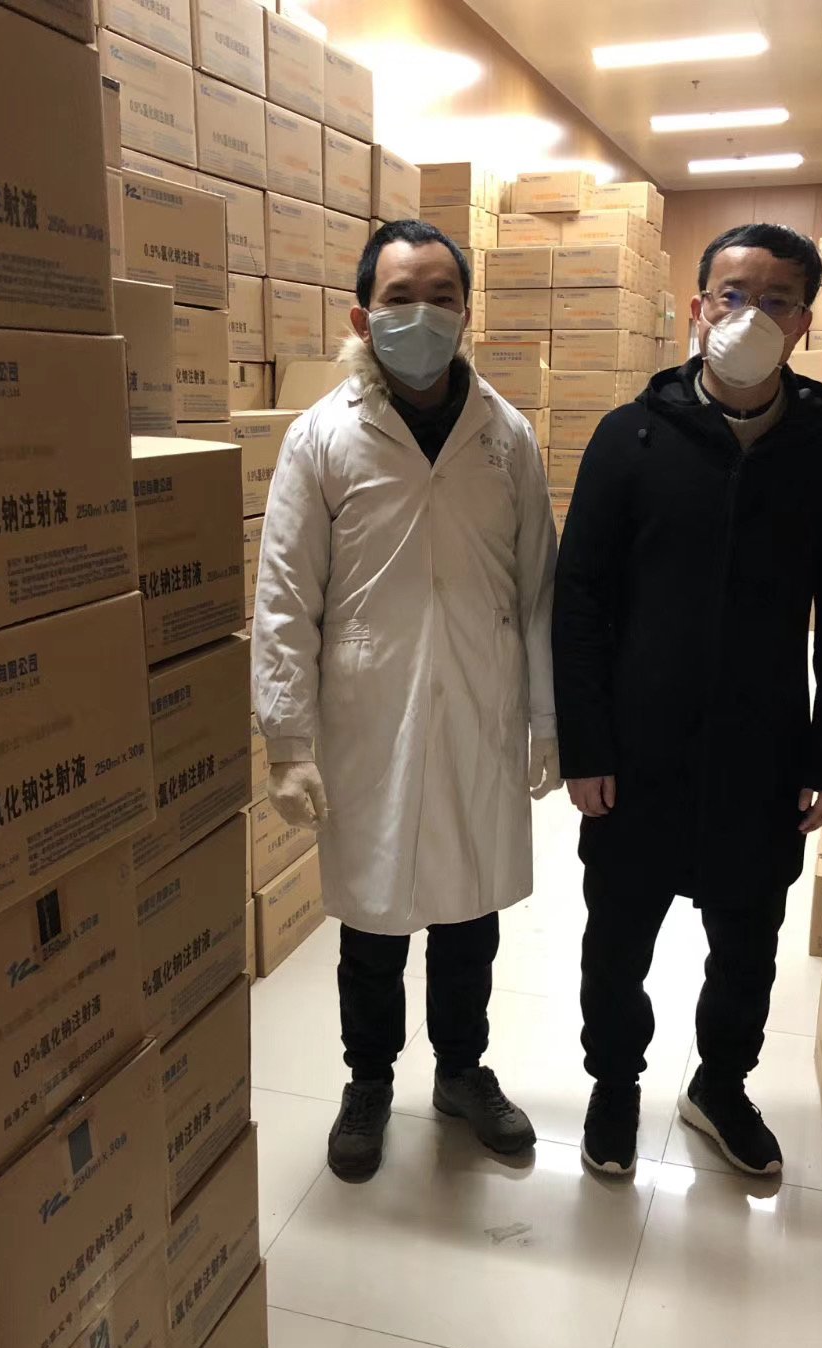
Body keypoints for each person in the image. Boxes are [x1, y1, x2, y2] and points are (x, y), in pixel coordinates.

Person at [553, 222, 822, 1178]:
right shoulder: (631, 436)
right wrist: (584, 747)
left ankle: (719, 1086)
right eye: (732, 294)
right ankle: (614, 1085)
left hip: (761, 748)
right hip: (637, 747)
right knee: (617, 942)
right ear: (697, 308)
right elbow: (579, 600)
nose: (750, 315)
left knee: (747, 944)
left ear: (804, 323)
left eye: (776, 300)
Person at [252, 219, 559, 1181]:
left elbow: (540, 589)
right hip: (369, 715)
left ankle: (463, 1074)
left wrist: (549, 721)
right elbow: (284, 597)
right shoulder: (322, 437)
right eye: (398, 297)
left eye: (440, 296)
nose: (420, 314)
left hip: (478, 705)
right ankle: (369, 1082)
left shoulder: (506, 437)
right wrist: (287, 742)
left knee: (470, 915)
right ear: (362, 315)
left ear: (466, 314)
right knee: (375, 924)